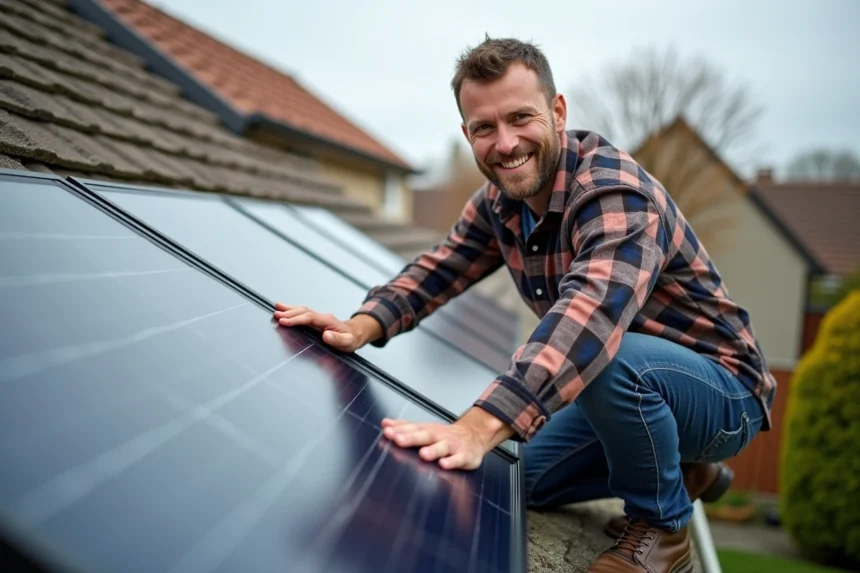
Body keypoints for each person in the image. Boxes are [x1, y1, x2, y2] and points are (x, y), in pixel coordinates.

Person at [273, 36, 776, 573]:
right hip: (633, 391)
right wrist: (361, 325)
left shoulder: (614, 194)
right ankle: (686, 471)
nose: (506, 143)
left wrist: (477, 426)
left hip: (723, 392)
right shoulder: (499, 203)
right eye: (485, 128)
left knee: (607, 359)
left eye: (520, 118)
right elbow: (441, 268)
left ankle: (663, 529)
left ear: (557, 112)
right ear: (467, 134)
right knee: (519, 480)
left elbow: (590, 317)